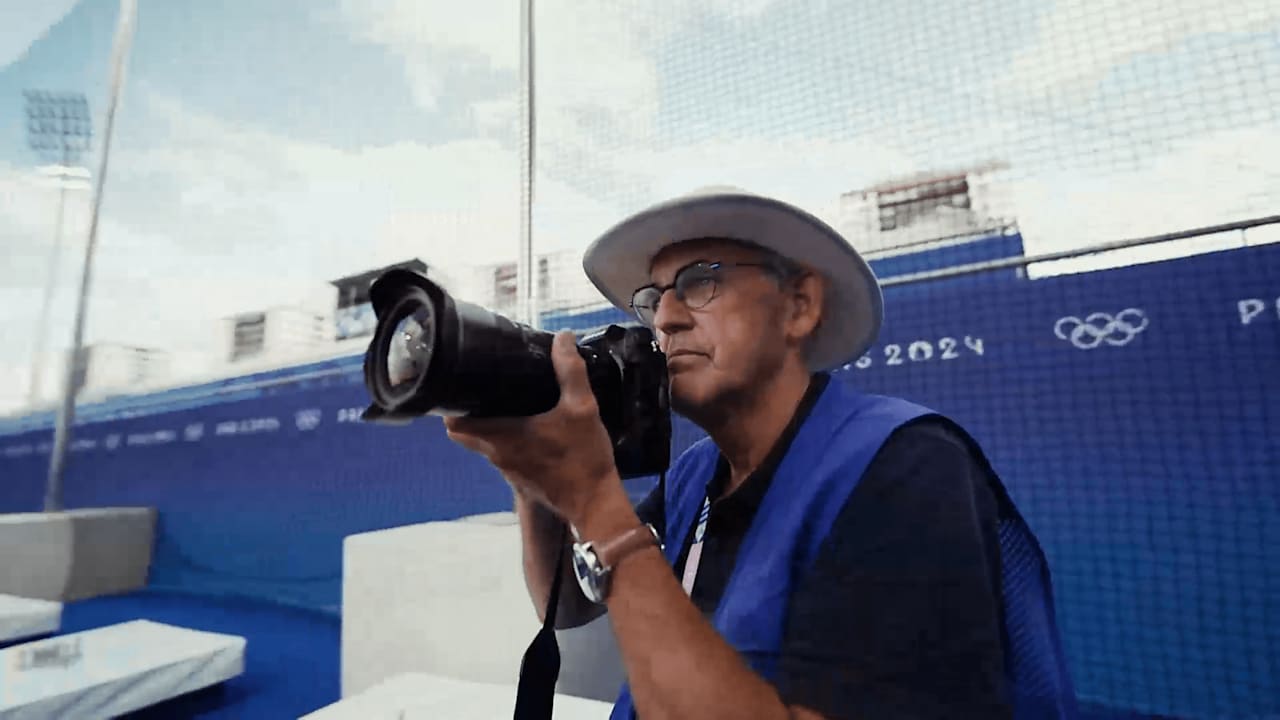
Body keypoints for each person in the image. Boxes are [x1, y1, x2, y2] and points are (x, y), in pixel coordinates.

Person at [444, 187, 1078, 720]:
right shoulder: (697, 473)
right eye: (653, 296)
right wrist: (534, 479)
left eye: (699, 283)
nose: (664, 318)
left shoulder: (908, 465)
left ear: (799, 306)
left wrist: (592, 497)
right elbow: (574, 605)